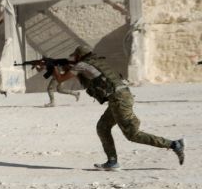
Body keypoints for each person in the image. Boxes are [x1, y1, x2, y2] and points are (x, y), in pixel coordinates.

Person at [55, 45, 184, 170]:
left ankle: (174, 144)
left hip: (119, 99)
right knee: (103, 127)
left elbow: (60, 78)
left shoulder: (81, 65)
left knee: (133, 135)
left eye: (75, 56)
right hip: (120, 96)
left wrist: (53, 67)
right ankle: (112, 161)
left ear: (79, 56)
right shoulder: (97, 63)